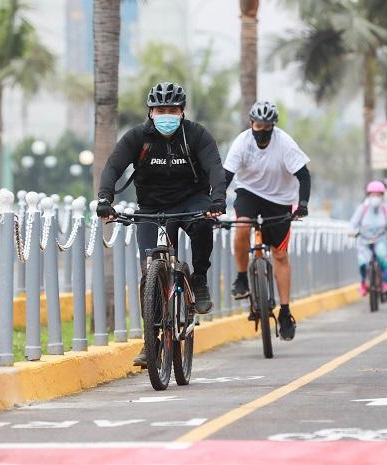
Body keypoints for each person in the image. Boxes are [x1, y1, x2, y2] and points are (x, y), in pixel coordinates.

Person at [96, 82, 227, 368]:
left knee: (203, 225)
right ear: (150, 112)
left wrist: (218, 200)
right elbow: (113, 167)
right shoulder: (137, 138)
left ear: (181, 112)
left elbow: (215, 168)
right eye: (159, 110)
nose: (165, 114)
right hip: (152, 208)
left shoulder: (196, 135)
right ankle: (150, 344)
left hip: (192, 202)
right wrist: (105, 199)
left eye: (171, 110)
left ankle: (200, 279)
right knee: (149, 273)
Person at [223, 101, 311, 341]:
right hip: (249, 194)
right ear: (252, 124)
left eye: (267, 127)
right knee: (241, 227)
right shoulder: (242, 142)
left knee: (280, 255)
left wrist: (302, 205)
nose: (262, 131)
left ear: (274, 127)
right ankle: (242, 277)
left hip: (280, 199)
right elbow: (227, 176)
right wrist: (216, 201)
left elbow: (303, 176)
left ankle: (284, 311)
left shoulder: (285, 143)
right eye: (258, 125)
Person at [350, 181, 387, 296]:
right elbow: (353, 223)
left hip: (380, 239)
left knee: (383, 258)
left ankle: (386, 283)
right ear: (369, 195)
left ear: (382, 195)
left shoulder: (386, 209)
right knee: (363, 262)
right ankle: (363, 283)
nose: (375, 197)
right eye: (373, 195)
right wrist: (351, 231)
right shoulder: (363, 209)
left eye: (378, 195)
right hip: (364, 240)